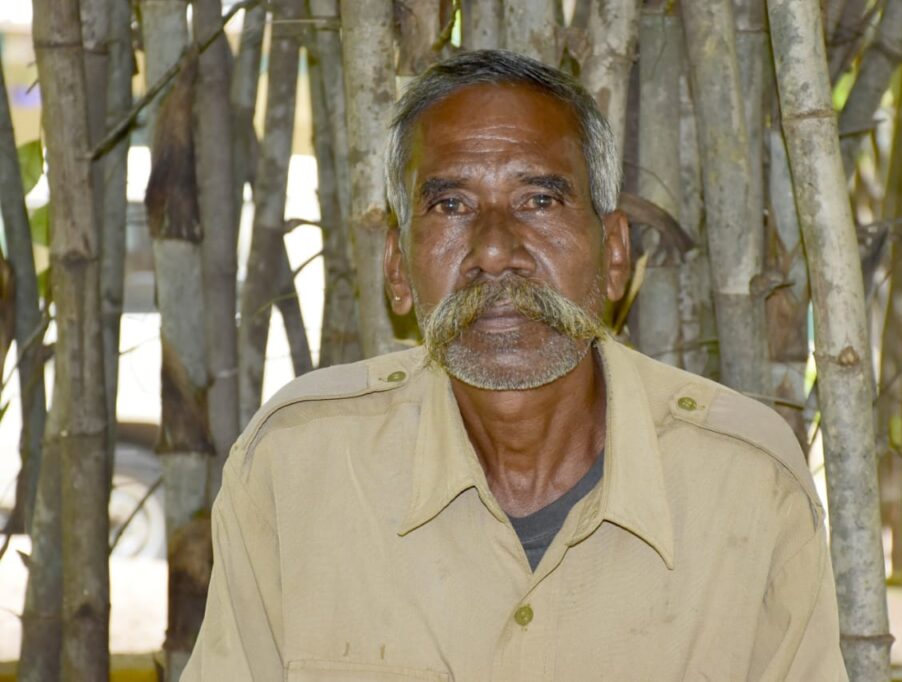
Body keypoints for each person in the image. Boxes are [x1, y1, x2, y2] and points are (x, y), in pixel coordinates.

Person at [182, 49, 847, 681]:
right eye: (451, 205)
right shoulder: (295, 472)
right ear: (397, 268)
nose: (496, 251)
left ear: (615, 254)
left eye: (539, 200)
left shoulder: (748, 489)